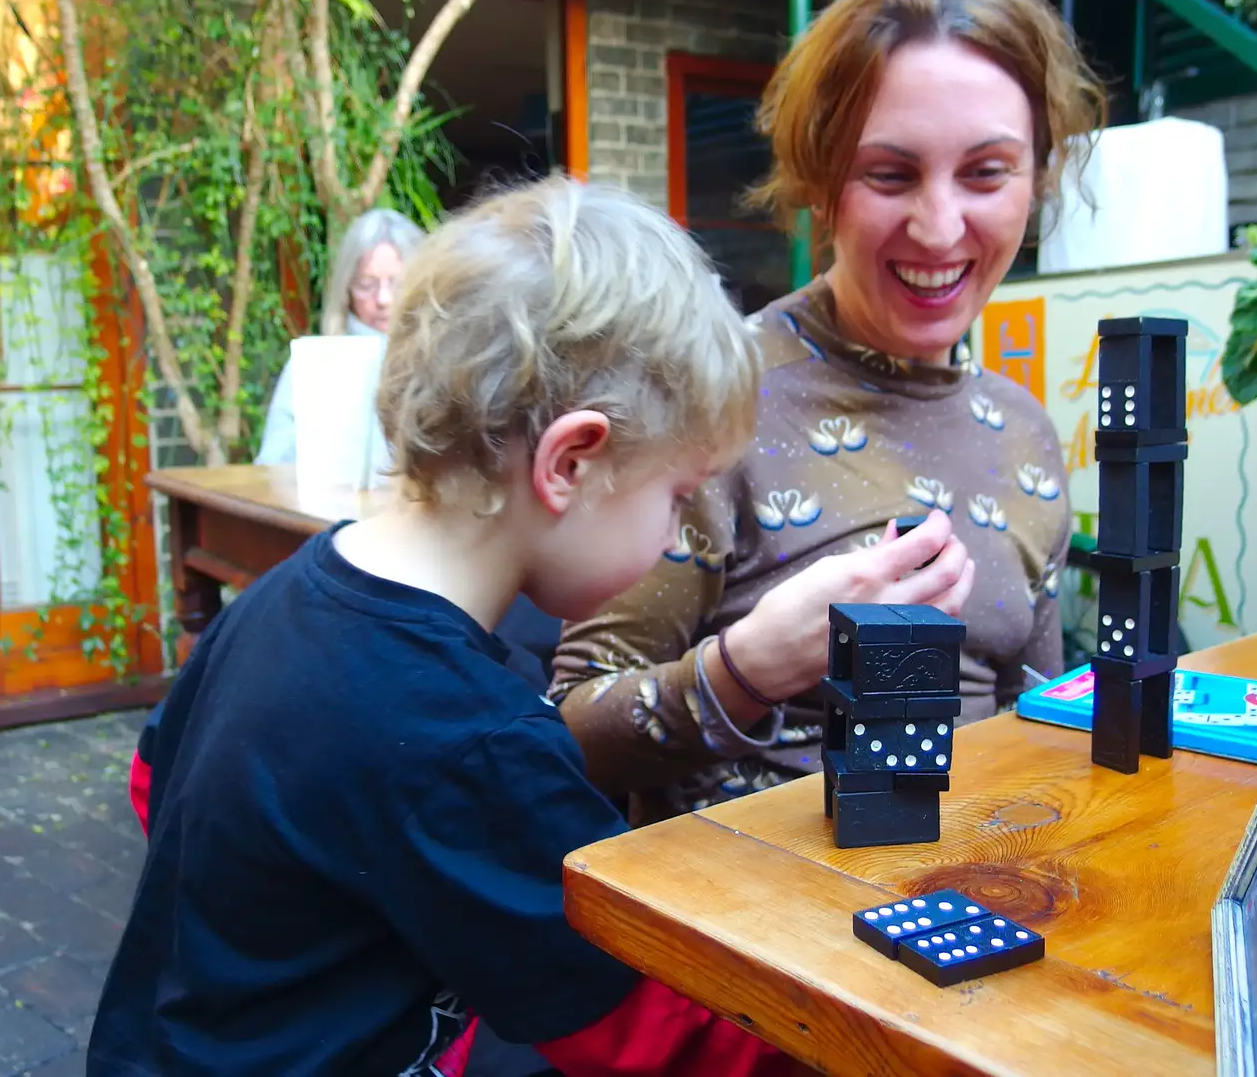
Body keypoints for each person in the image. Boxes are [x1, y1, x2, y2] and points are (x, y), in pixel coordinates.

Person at [89, 175, 810, 1077]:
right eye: (678, 495)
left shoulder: (281, 596)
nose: (677, 531)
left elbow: (153, 782)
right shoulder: (476, 742)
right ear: (572, 463)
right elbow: (639, 1032)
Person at [552, 0, 1109, 826]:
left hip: (974, 899)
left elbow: (1029, 726)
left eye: (987, 172)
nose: (939, 225)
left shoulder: (1024, 431)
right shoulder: (707, 398)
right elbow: (562, 732)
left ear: (1037, 177)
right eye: (889, 174)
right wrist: (746, 669)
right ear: (820, 178)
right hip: (745, 936)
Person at [254, 207, 425, 465]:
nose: (383, 299)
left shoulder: (441, 360)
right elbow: (271, 465)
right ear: (346, 289)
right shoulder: (315, 364)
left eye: (397, 284)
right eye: (367, 285)